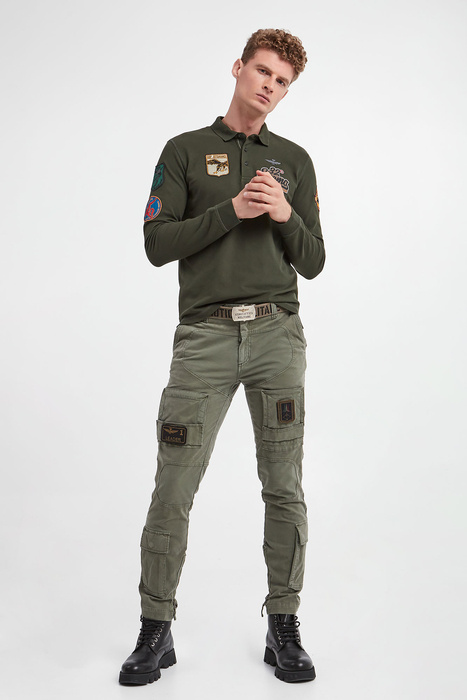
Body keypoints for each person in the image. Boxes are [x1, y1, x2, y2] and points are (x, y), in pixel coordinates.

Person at [119, 28, 325, 686]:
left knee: (284, 486)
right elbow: (156, 244)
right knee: (173, 487)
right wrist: (233, 210)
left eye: (282, 81)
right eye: (262, 71)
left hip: (275, 336)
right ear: (238, 68)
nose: (269, 86)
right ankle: (155, 628)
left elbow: (314, 262)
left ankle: (283, 624)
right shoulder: (184, 150)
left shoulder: (293, 159)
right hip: (204, 338)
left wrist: (284, 214)